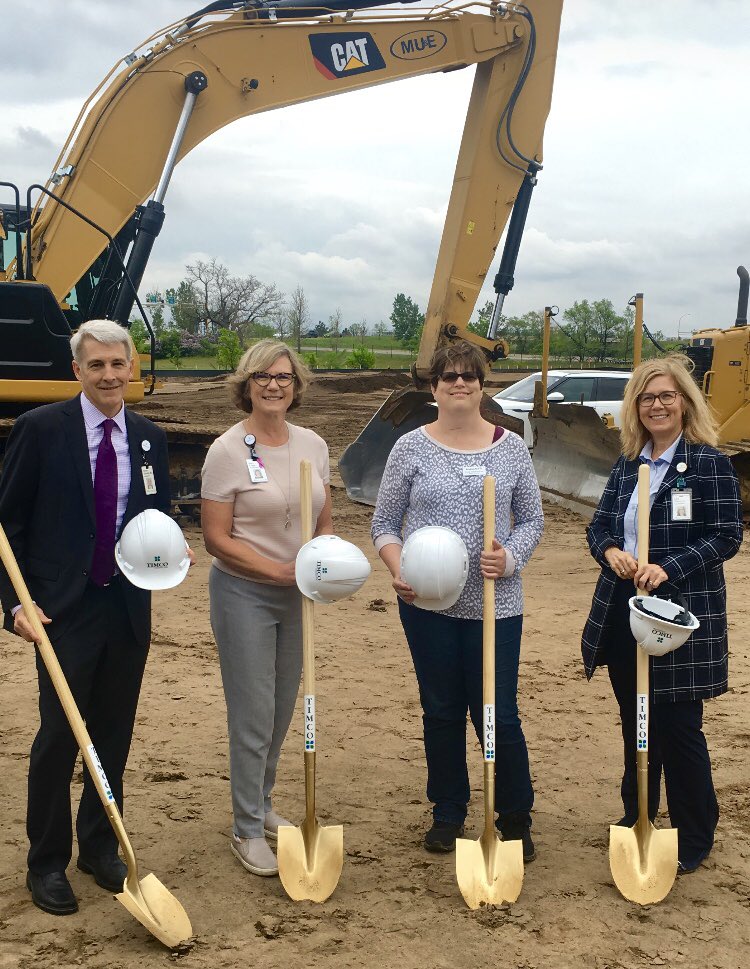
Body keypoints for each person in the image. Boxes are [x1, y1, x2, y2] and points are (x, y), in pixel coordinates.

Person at [0, 320, 175, 916]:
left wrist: (168, 551)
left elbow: (156, 519)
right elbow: (7, 527)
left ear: (131, 368)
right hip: (60, 612)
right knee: (58, 736)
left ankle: (99, 847)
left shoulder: (149, 438)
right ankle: (46, 860)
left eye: (117, 364)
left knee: (113, 733)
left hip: (125, 609)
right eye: (96, 365)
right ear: (77, 370)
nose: (108, 375)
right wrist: (16, 604)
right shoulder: (40, 429)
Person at [371, 341, 544, 859]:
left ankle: (514, 816)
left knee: (498, 713)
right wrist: (399, 569)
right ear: (434, 387)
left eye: (470, 376)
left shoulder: (510, 448)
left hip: (496, 605)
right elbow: (384, 524)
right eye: (449, 376)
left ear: (482, 385)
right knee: (441, 710)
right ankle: (448, 811)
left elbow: (532, 520)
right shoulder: (410, 448)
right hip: (428, 605)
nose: (460, 383)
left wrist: (510, 558)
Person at [581, 355, 743, 874]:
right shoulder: (629, 463)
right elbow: (600, 526)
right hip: (624, 613)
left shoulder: (708, 463)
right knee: (637, 723)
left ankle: (695, 833)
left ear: (685, 403)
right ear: (636, 407)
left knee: (678, 729)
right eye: (647, 398)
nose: (657, 405)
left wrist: (668, 568)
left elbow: (726, 536)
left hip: (678, 618)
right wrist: (611, 552)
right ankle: (639, 816)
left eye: (667, 396)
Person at [201, 339, 332, 877]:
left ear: (296, 385)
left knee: (280, 710)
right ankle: (246, 828)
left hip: (297, 595)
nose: (273, 385)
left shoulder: (313, 445)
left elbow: (322, 520)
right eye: (262, 377)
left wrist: (324, 564)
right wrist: (277, 571)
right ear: (246, 385)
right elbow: (216, 538)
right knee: (253, 713)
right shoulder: (227, 450)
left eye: (283, 377)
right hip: (245, 593)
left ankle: (262, 800)